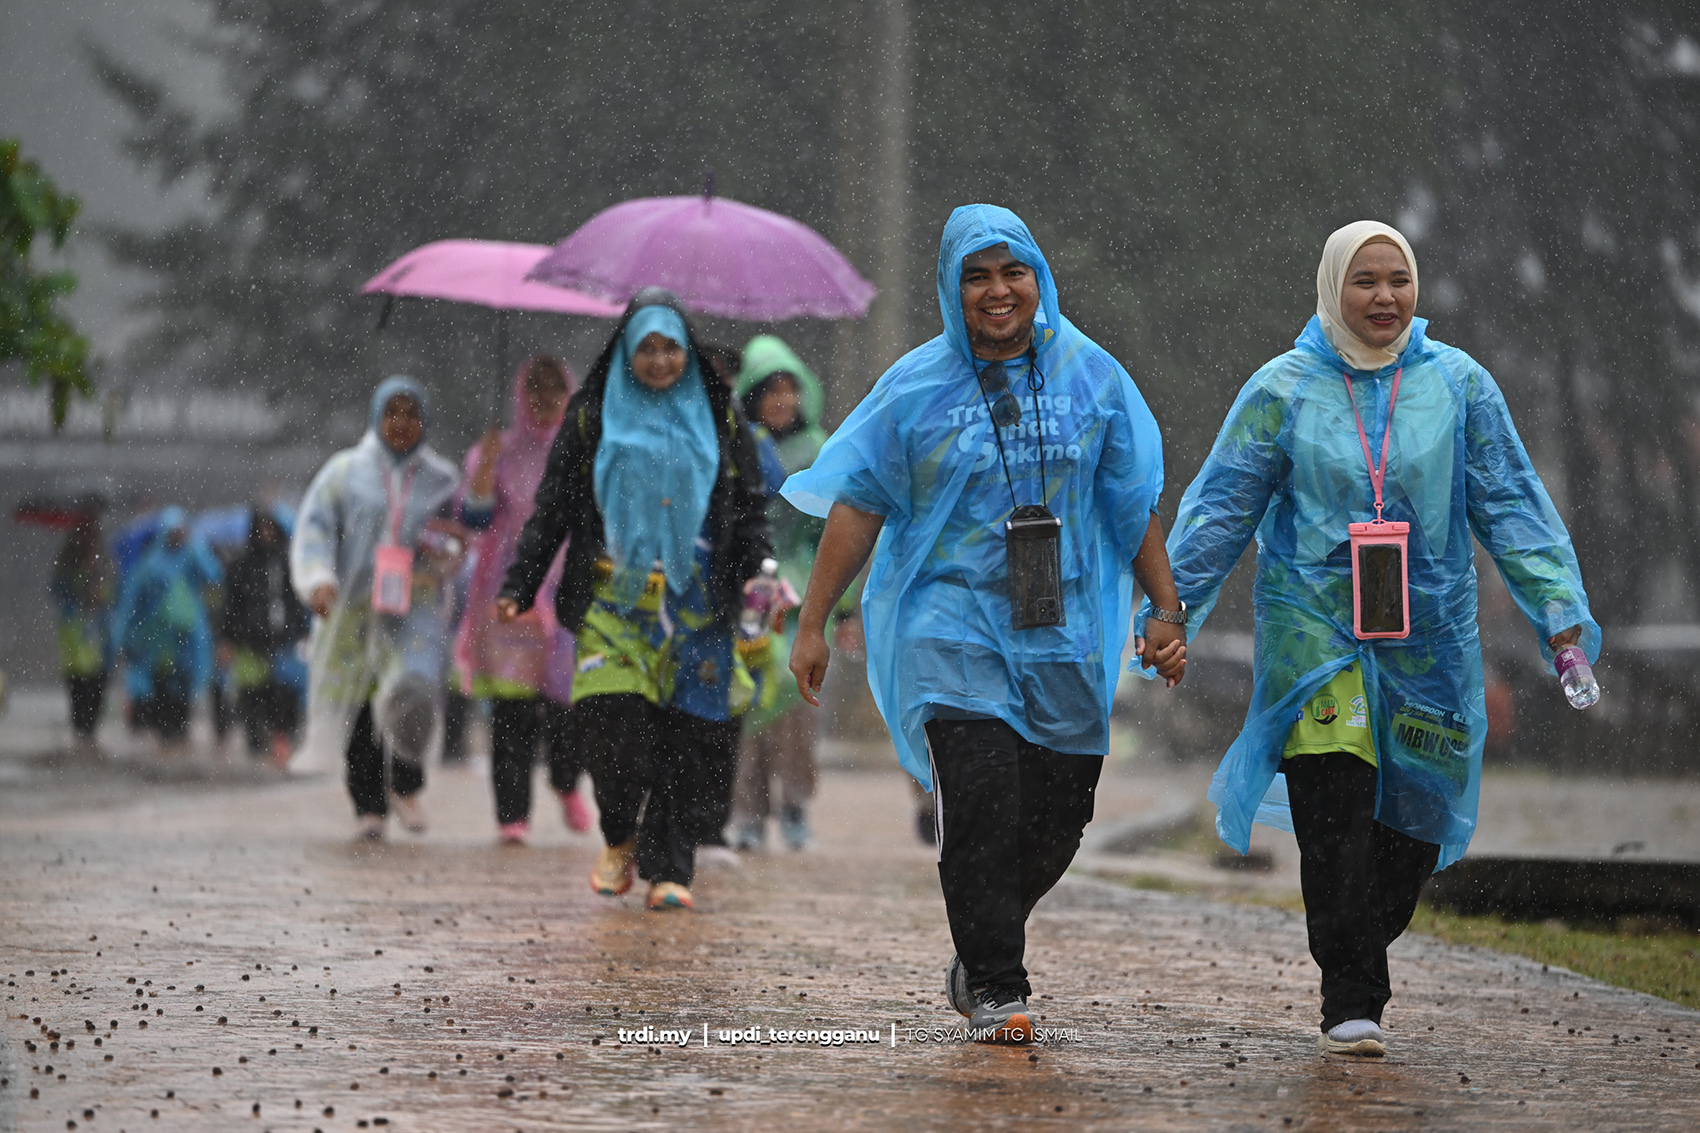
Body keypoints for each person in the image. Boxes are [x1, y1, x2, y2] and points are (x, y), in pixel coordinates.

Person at [1152, 221, 1597, 1057]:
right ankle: (1350, 995)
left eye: (1398, 279)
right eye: (1365, 281)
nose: (1385, 297)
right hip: (1315, 636)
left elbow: (1509, 503)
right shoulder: (1282, 390)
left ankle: (1360, 943)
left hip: (1427, 643)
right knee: (1335, 807)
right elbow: (1219, 510)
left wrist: (1557, 611)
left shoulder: (1458, 384)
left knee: (1410, 834)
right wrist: (1171, 611)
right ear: (1331, 286)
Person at [784, 205, 1187, 1043]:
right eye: (977, 275)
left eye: (1013, 272)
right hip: (951, 627)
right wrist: (815, 620)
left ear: (1039, 278)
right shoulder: (916, 388)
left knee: (1056, 818)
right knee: (979, 801)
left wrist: (1164, 607)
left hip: (1063, 635)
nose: (997, 291)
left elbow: (1130, 503)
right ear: (951, 288)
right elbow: (858, 507)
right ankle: (1000, 982)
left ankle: (982, 939)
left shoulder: (1093, 377)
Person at [498, 288, 773, 911]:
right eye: (645, 348)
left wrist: (757, 570)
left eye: (670, 348)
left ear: (688, 353)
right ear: (624, 350)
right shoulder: (592, 415)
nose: (658, 361)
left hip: (698, 606)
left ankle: (671, 870)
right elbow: (554, 509)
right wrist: (521, 583)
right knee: (611, 726)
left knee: (686, 739)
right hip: (612, 604)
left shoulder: (719, 412)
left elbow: (750, 508)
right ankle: (620, 831)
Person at [291, 376, 464, 840]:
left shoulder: (442, 479)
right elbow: (316, 528)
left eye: (412, 413)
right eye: (393, 412)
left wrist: (448, 553)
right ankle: (368, 804)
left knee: (415, 689)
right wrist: (318, 580)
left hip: (416, 606)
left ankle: (406, 783)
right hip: (355, 608)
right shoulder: (344, 472)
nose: (402, 423)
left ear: (425, 420)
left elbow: (463, 532)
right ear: (376, 416)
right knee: (362, 705)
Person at [457, 356, 594, 844]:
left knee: (568, 704)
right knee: (512, 710)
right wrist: (486, 468)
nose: (544, 401)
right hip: (509, 593)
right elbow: (473, 520)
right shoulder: (496, 452)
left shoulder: (580, 447)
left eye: (554, 390)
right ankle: (512, 815)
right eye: (534, 390)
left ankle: (565, 781)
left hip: (564, 592)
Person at [729, 335, 838, 851]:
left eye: (789, 390)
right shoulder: (738, 445)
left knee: (797, 707)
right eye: (770, 389)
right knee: (747, 706)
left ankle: (795, 805)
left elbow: (836, 534)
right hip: (749, 593)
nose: (781, 400)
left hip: (802, 599)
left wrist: (839, 605)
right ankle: (748, 812)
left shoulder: (820, 451)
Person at [112, 507, 222, 754]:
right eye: (173, 532)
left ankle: (179, 740)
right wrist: (124, 638)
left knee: (183, 691)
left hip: (188, 641)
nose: (177, 536)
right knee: (162, 690)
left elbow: (215, 576)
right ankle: (166, 741)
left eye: (180, 532)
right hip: (158, 642)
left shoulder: (192, 556)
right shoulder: (150, 563)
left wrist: (196, 549)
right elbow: (132, 602)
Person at [218, 508, 310, 765]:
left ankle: (281, 740)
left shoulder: (287, 562)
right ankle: (257, 744)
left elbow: (295, 602)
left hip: (284, 640)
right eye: (262, 529)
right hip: (250, 643)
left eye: (270, 529)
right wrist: (227, 639)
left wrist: (303, 631)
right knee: (252, 695)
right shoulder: (242, 565)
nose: (266, 534)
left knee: (284, 693)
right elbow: (232, 606)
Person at [50, 518, 114, 749]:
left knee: (98, 683)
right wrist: (81, 588)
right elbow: (58, 590)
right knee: (78, 683)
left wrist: (101, 592)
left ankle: (90, 733)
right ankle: (81, 733)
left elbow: (112, 591)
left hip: (99, 632)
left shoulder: (103, 562)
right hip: (75, 633)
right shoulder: (67, 563)